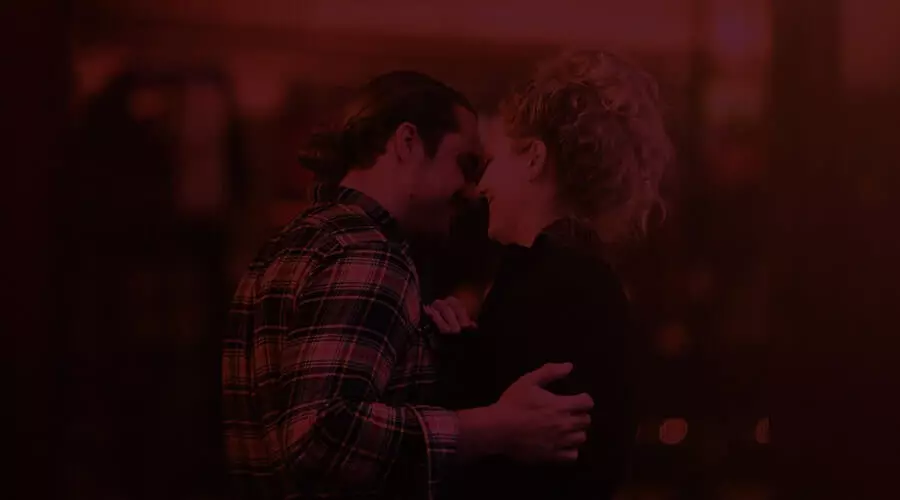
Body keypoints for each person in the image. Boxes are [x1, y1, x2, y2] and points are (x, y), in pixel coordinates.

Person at [222, 71, 595, 500]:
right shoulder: (369, 252)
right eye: (466, 164)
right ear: (407, 142)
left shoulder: (289, 245)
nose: (473, 190)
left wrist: (437, 352)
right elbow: (322, 437)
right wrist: (494, 428)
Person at [426, 51, 674, 500]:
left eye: (494, 160)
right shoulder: (574, 273)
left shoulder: (556, 280)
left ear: (534, 159)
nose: (482, 185)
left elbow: (521, 469)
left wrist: (452, 368)